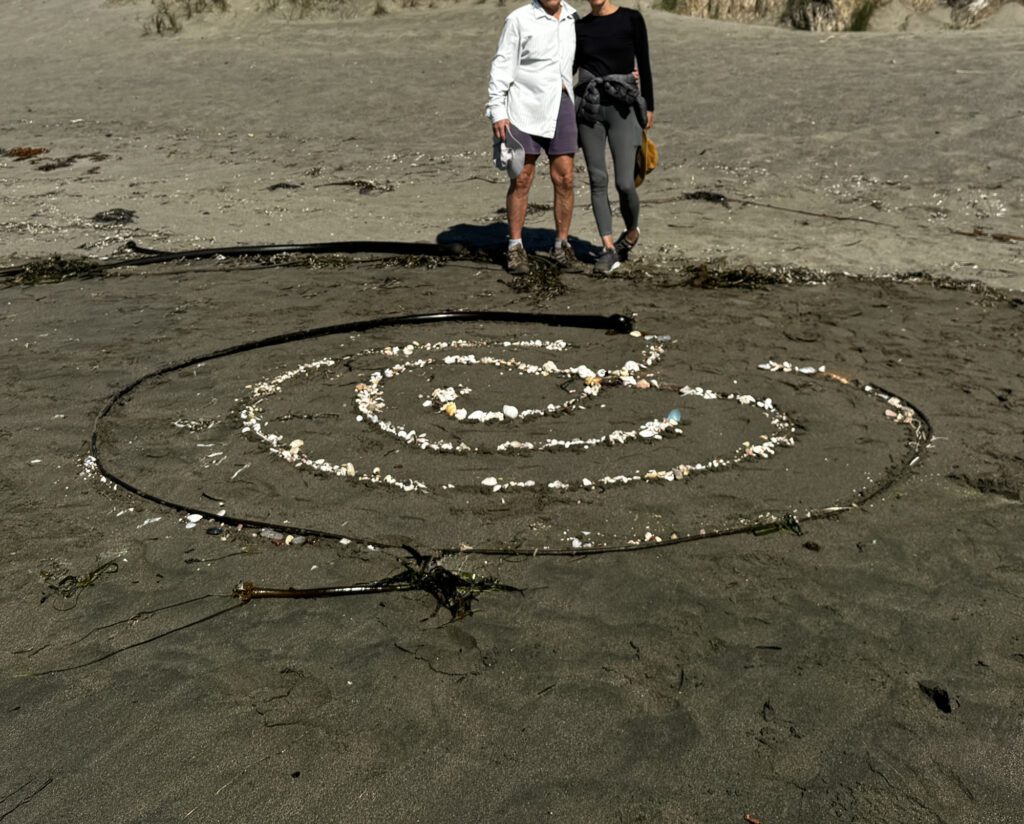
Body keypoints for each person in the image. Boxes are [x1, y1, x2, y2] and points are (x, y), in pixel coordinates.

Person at [487, 0, 583, 275]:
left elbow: (589, 57)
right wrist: (497, 110)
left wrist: (629, 73)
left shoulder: (573, 20)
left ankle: (561, 244)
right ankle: (516, 246)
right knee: (522, 178)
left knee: (565, 177)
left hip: (561, 103)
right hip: (522, 108)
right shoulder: (518, 19)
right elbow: (502, 64)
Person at [574, 0, 654, 274]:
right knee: (597, 179)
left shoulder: (631, 19)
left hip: (623, 107)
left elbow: (643, 62)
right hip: (590, 108)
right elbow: (568, 66)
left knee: (624, 183)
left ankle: (631, 232)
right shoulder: (580, 27)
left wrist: (649, 106)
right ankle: (608, 248)